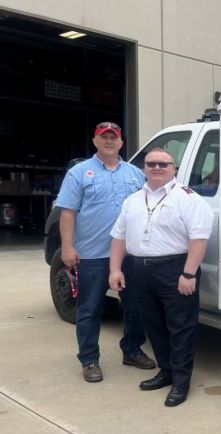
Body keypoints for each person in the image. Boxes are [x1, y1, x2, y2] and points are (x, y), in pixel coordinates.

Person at [109, 148, 214, 407]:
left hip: (175, 268)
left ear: (173, 168)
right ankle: (166, 371)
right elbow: (119, 237)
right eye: (151, 163)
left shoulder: (189, 199)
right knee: (153, 324)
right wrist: (115, 269)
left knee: (180, 327)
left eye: (163, 164)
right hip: (138, 269)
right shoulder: (132, 200)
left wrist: (188, 273)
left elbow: (198, 239)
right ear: (144, 168)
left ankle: (180, 381)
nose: (157, 167)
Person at [57, 121, 156, 383]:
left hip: (130, 256)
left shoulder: (136, 174)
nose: (109, 141)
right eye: (104, 137)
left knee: (135, 306)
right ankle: (89, 359)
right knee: (90, 309)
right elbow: (67, 213)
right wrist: (67, 246)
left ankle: (132, 350)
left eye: (114, 137)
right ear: (95, 141)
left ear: (122, 143)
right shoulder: (79, 173)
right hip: (92, 255)